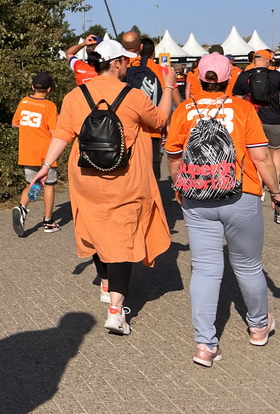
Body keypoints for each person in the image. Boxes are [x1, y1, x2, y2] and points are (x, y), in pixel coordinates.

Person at [31, 39, 177, 336]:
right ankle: (116, 311)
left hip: (84, 177)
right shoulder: (133, 96)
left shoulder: (75, 95)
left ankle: (106, 282)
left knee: (97, 229)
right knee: (122, 240)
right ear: (116, 63)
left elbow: (62, 133)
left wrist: (46, 165)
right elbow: (161, 120)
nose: (127, 64)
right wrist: (170, 86)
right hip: (124, 179)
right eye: (125, 60)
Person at [164, 53, 280, 367]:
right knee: (248, 266)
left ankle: (205, 346)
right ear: (228, 79)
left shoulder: (184, 110)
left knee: (205, 270)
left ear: (198, 77)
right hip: (241, 196)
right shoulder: (243, 108)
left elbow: (172, 156)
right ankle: (259, 326)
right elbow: (262, 158)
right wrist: (277, 192)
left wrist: (180, 188)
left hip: (196, 200)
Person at [11, 71, 60, 236]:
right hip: (46, 152)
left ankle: (22, 207)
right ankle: (48, 221)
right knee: (48, 185)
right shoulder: (50, 106)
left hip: (27, 151)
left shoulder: (24, 101)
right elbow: (54, 131)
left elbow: (15, 123)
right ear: (49, 89)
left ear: (32, 87)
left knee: (33, 183)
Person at [232, 50, 280, 183]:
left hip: (252, 122)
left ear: (254, 60)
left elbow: (238, 101)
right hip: (273, 119)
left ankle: (258, 184)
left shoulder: (244, 76)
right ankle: (275, 183)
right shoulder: (276, 75)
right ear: (267, 60)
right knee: (275, 152)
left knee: (253, 154)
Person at [123, 33, 177, 178]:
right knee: (151, 174)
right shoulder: (157, 68)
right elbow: (165, 97)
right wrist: (167, 124)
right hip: (152, 129)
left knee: (127, 173)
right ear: (140, 46)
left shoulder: (117, 66)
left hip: (124, 130)